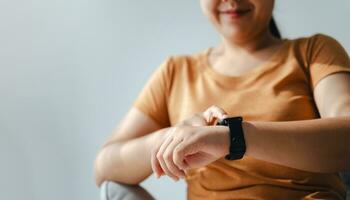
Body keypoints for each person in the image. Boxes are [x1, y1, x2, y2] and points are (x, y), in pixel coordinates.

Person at [94, 0, 350, 199]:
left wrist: (231, 138)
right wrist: (174, 136)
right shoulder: (175, 72)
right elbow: (105, 166)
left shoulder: (315, 53)